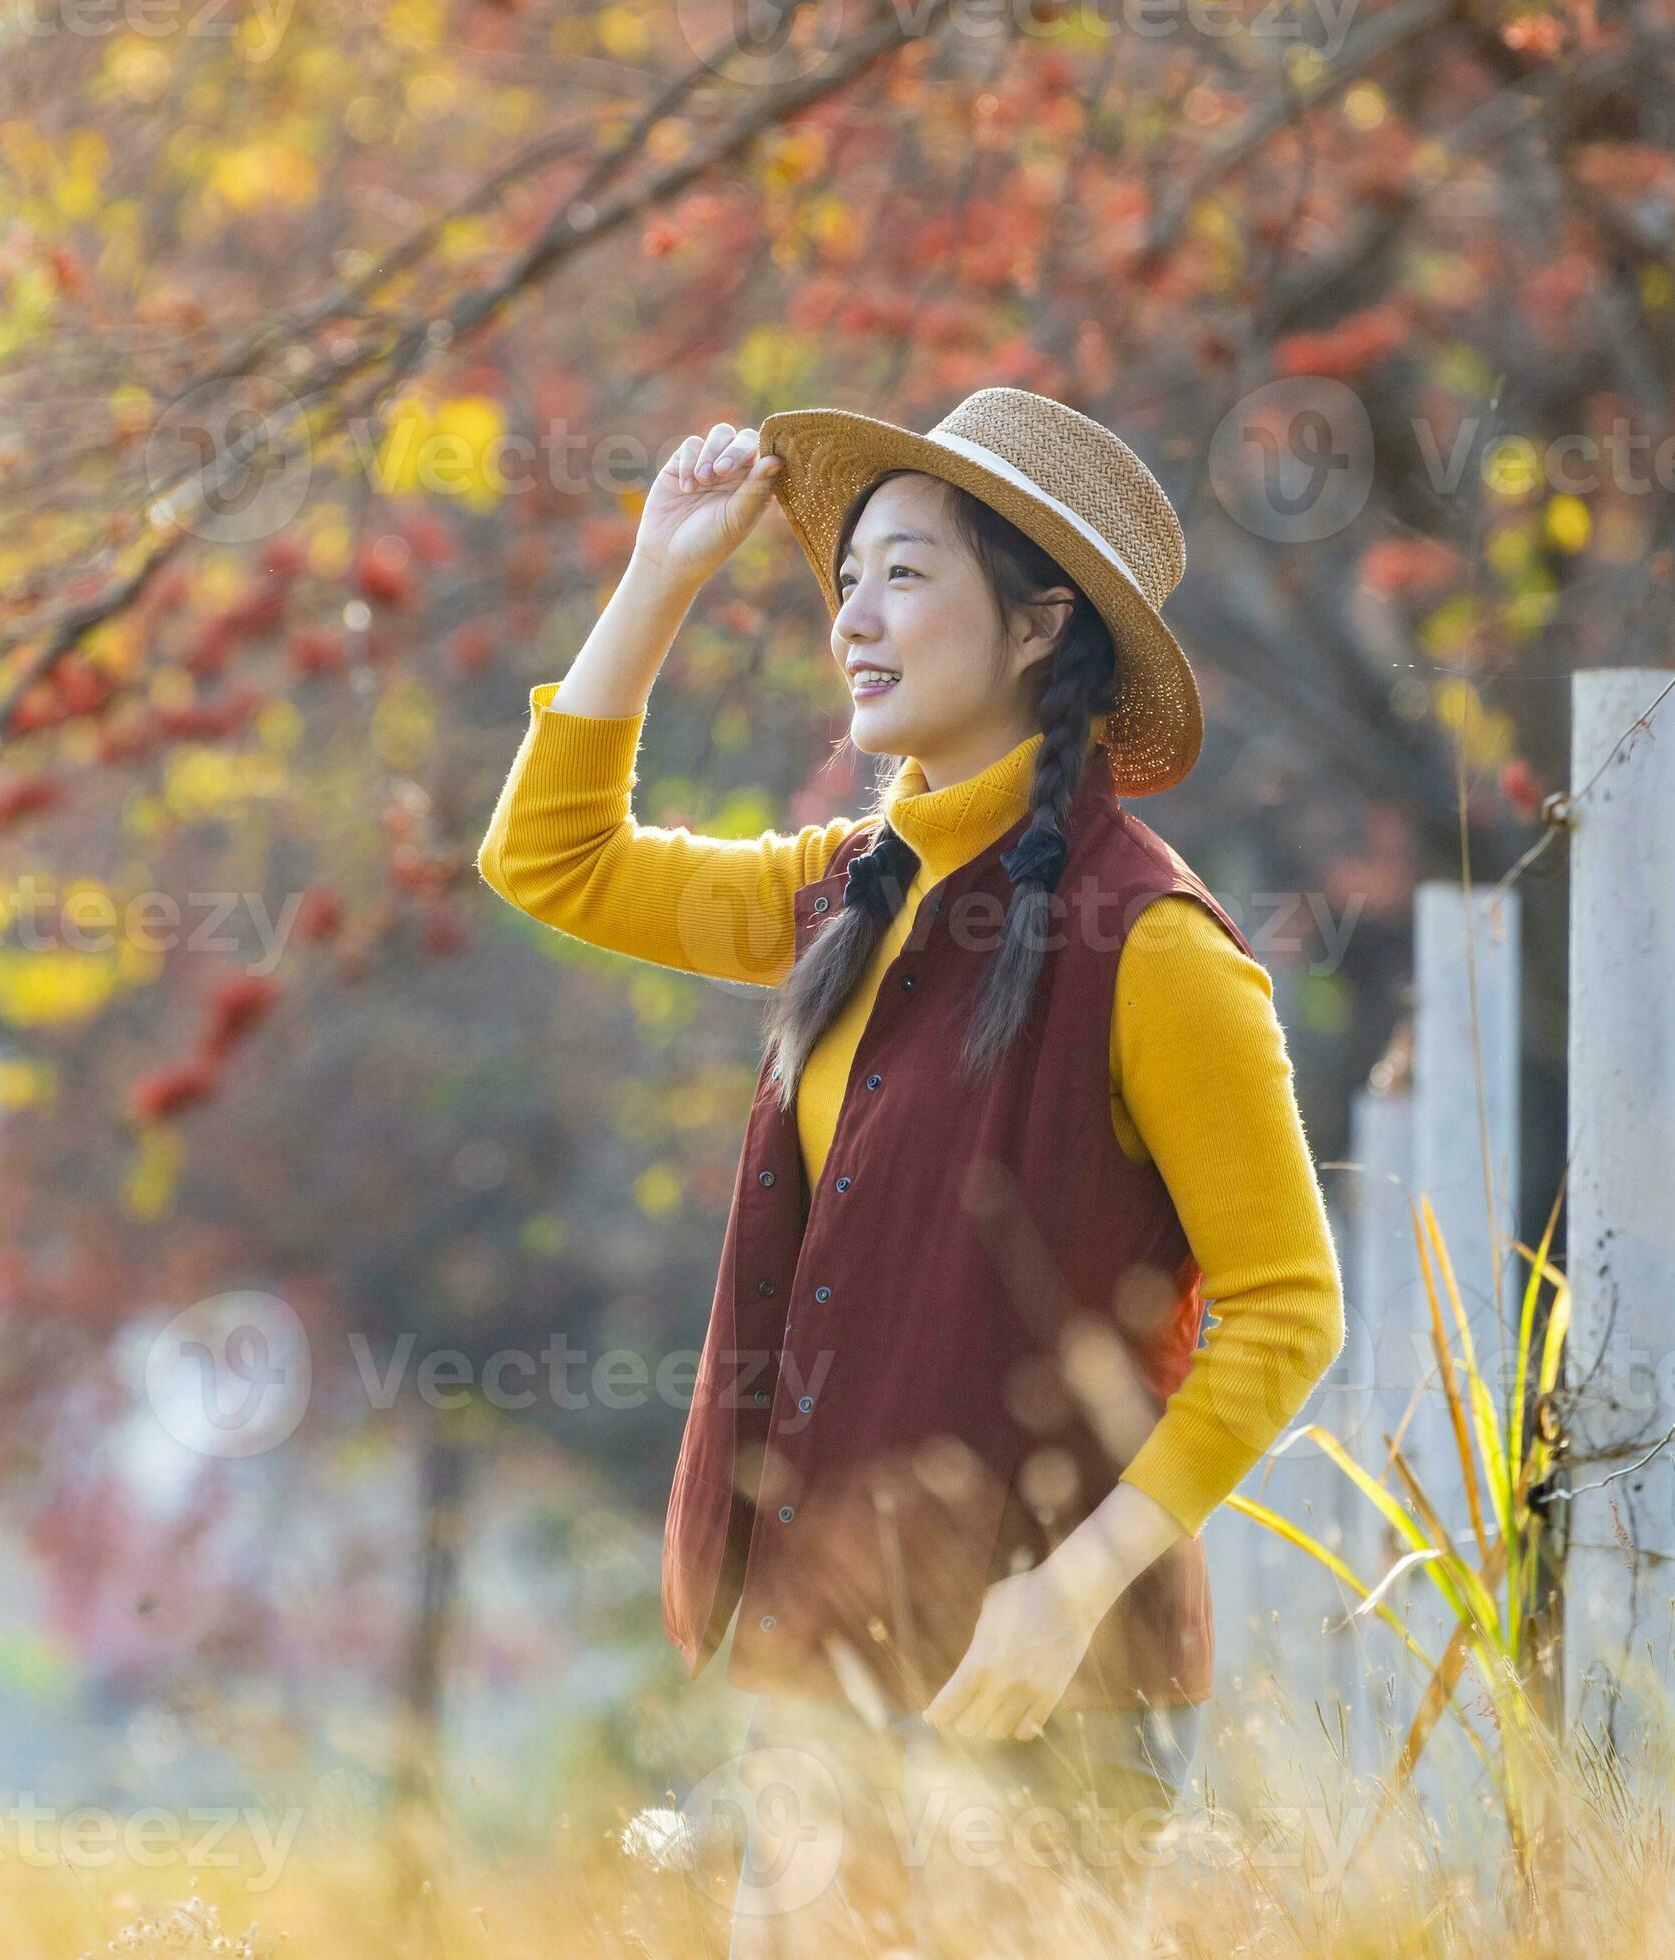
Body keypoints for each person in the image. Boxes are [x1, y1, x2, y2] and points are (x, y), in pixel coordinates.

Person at [474, 392, 1346, 1953]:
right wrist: (660, 577)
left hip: (1046, 1701)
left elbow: (1288, 1313)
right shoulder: (846, 892)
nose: (853, 622)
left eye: (905, 578)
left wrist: (1072, 1588)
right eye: (846, 580)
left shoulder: (1153, 945)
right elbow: (553, 860)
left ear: (1038, 627)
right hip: (818, 1682)